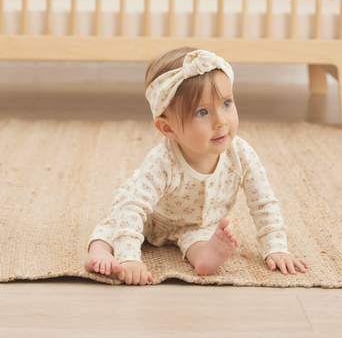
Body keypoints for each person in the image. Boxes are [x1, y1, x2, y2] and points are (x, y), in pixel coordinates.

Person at [84, 46, 309, 285]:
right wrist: (128, 258)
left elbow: (263, 201)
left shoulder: (241, 154)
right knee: (115, 221)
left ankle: (204, 256)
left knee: (201, 238)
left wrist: (276, 247)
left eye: (226, 104)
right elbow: (134, 208)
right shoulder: (162, 161)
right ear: (168, 129)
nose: (221, 121)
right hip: (150, 216)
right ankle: (98, 252)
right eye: (203, 112)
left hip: (197, 223)